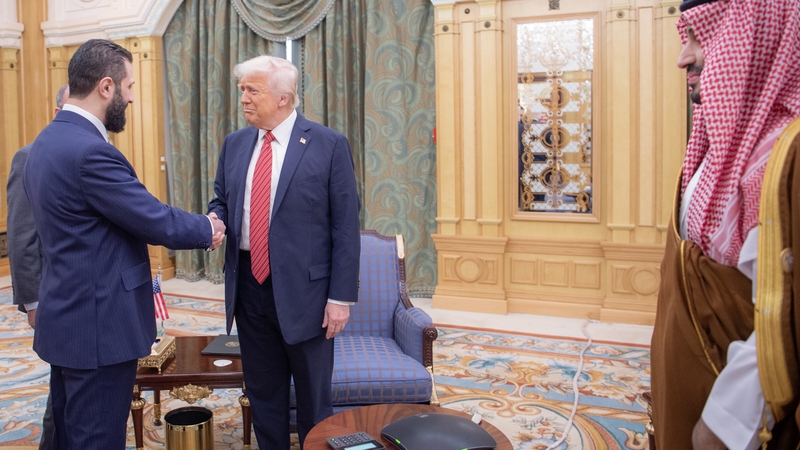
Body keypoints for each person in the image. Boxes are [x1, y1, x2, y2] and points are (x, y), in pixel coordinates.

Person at [23, 39, 225, 449]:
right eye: (129, 86)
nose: (132, 98)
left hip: (67, 321)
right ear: (106, 86)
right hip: (99, 328)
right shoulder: (90, 152)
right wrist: (208, 227)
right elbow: (153, 218)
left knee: (66, 434)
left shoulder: (46, 141)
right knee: (97, 438)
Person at [650, 0, 800, 449]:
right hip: (690, 384)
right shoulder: (724, 148)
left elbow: (781, 316)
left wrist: (722, 424)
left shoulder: (785, 157)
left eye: (699, 38)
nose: (684, 57)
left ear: (752, 38)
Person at [207, 55, 360, 449]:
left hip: (307, 295)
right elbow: (222, 199)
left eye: (251, 90)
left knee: (312, 397)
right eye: (242, 89)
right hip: (249, 287)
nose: (242, 98)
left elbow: (345, 228)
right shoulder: (235, 143)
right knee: (263, 392)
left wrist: (340, 298)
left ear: (283, 97)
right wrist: (214, 218)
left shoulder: (328, 144)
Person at [6, 83, 69, 450]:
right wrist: (32, 302)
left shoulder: (95, 152)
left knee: (69, 388)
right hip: (52, 296)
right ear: (59, 110)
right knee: (61, 388)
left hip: (82, 295)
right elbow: (21, 235)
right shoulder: (29, 157)